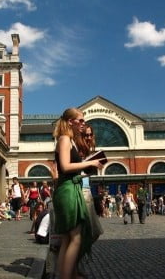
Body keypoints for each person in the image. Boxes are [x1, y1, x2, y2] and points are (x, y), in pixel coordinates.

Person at [52, 107, 104, 279]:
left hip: (71, 187)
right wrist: (91, 163)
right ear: (70, 122)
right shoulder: (65, 139)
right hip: (67, 190)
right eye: (80, 120)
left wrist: (88, 166)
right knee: (76, 237)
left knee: (68, 238)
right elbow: (65, 166)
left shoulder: (71, 140)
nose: (83, 123)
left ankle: (63, 275)